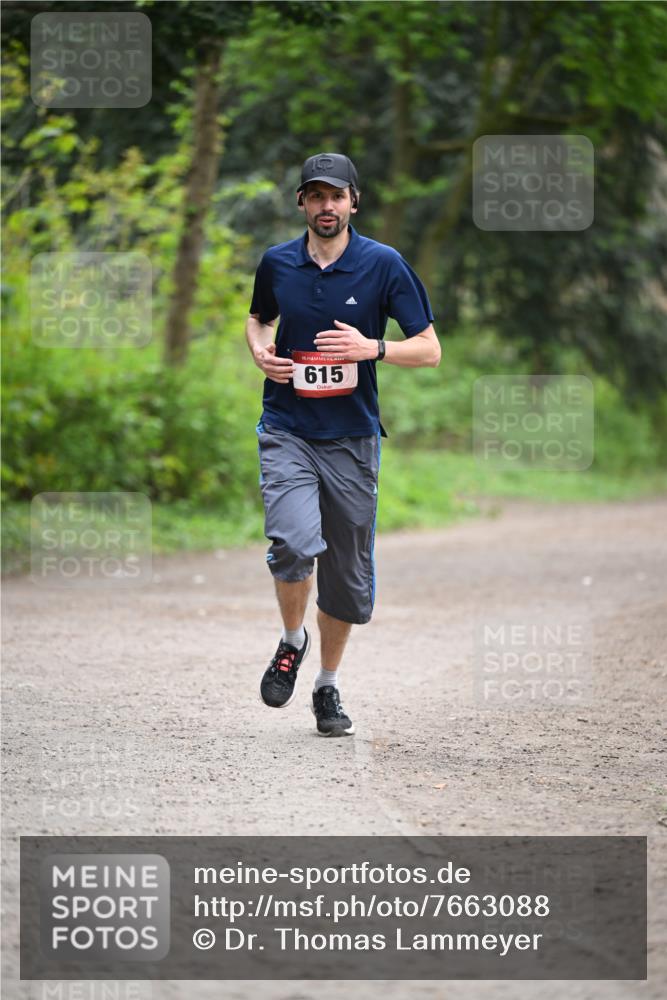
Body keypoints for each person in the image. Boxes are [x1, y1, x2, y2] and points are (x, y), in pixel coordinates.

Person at [246, 152, 440, 737]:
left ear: (354, 201)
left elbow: (429, 348)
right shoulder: (277, 262)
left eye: (337, 196)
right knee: (292, 541)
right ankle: (290, 641)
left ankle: (327, 687)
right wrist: (258, 349)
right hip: (287, 428)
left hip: (353, 439)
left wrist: (372, 348)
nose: (326, 206)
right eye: (315, 196)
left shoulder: (383, 264)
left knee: (347, 574)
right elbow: (259, 319)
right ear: (302, 203)